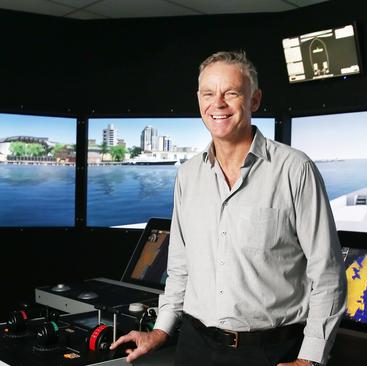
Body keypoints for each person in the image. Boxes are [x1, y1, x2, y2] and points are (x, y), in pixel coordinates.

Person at [110, 51, 346, 366]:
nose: (217, 104)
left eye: (231, 93)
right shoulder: (188, 174)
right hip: (194, 346)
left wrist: (311, 358)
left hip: (269, 352)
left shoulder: (295, 170)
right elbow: (180, 267)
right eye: (209, 93)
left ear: (255, 100)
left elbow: (328, 273)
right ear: (199, 100)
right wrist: (161, 330)